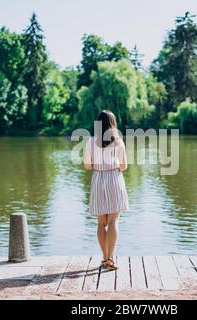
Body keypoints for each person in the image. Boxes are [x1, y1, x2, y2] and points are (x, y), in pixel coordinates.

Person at [83, 110, 129, 270]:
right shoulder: (118, 142)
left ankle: (104, 258)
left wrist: (99, 164)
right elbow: (124, 167)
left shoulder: (90, 142)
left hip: (98, 180)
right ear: (113, 124)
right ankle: (111, 258)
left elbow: (87, 166)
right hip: (114, 180)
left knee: (101, 223)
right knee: (114, 221)